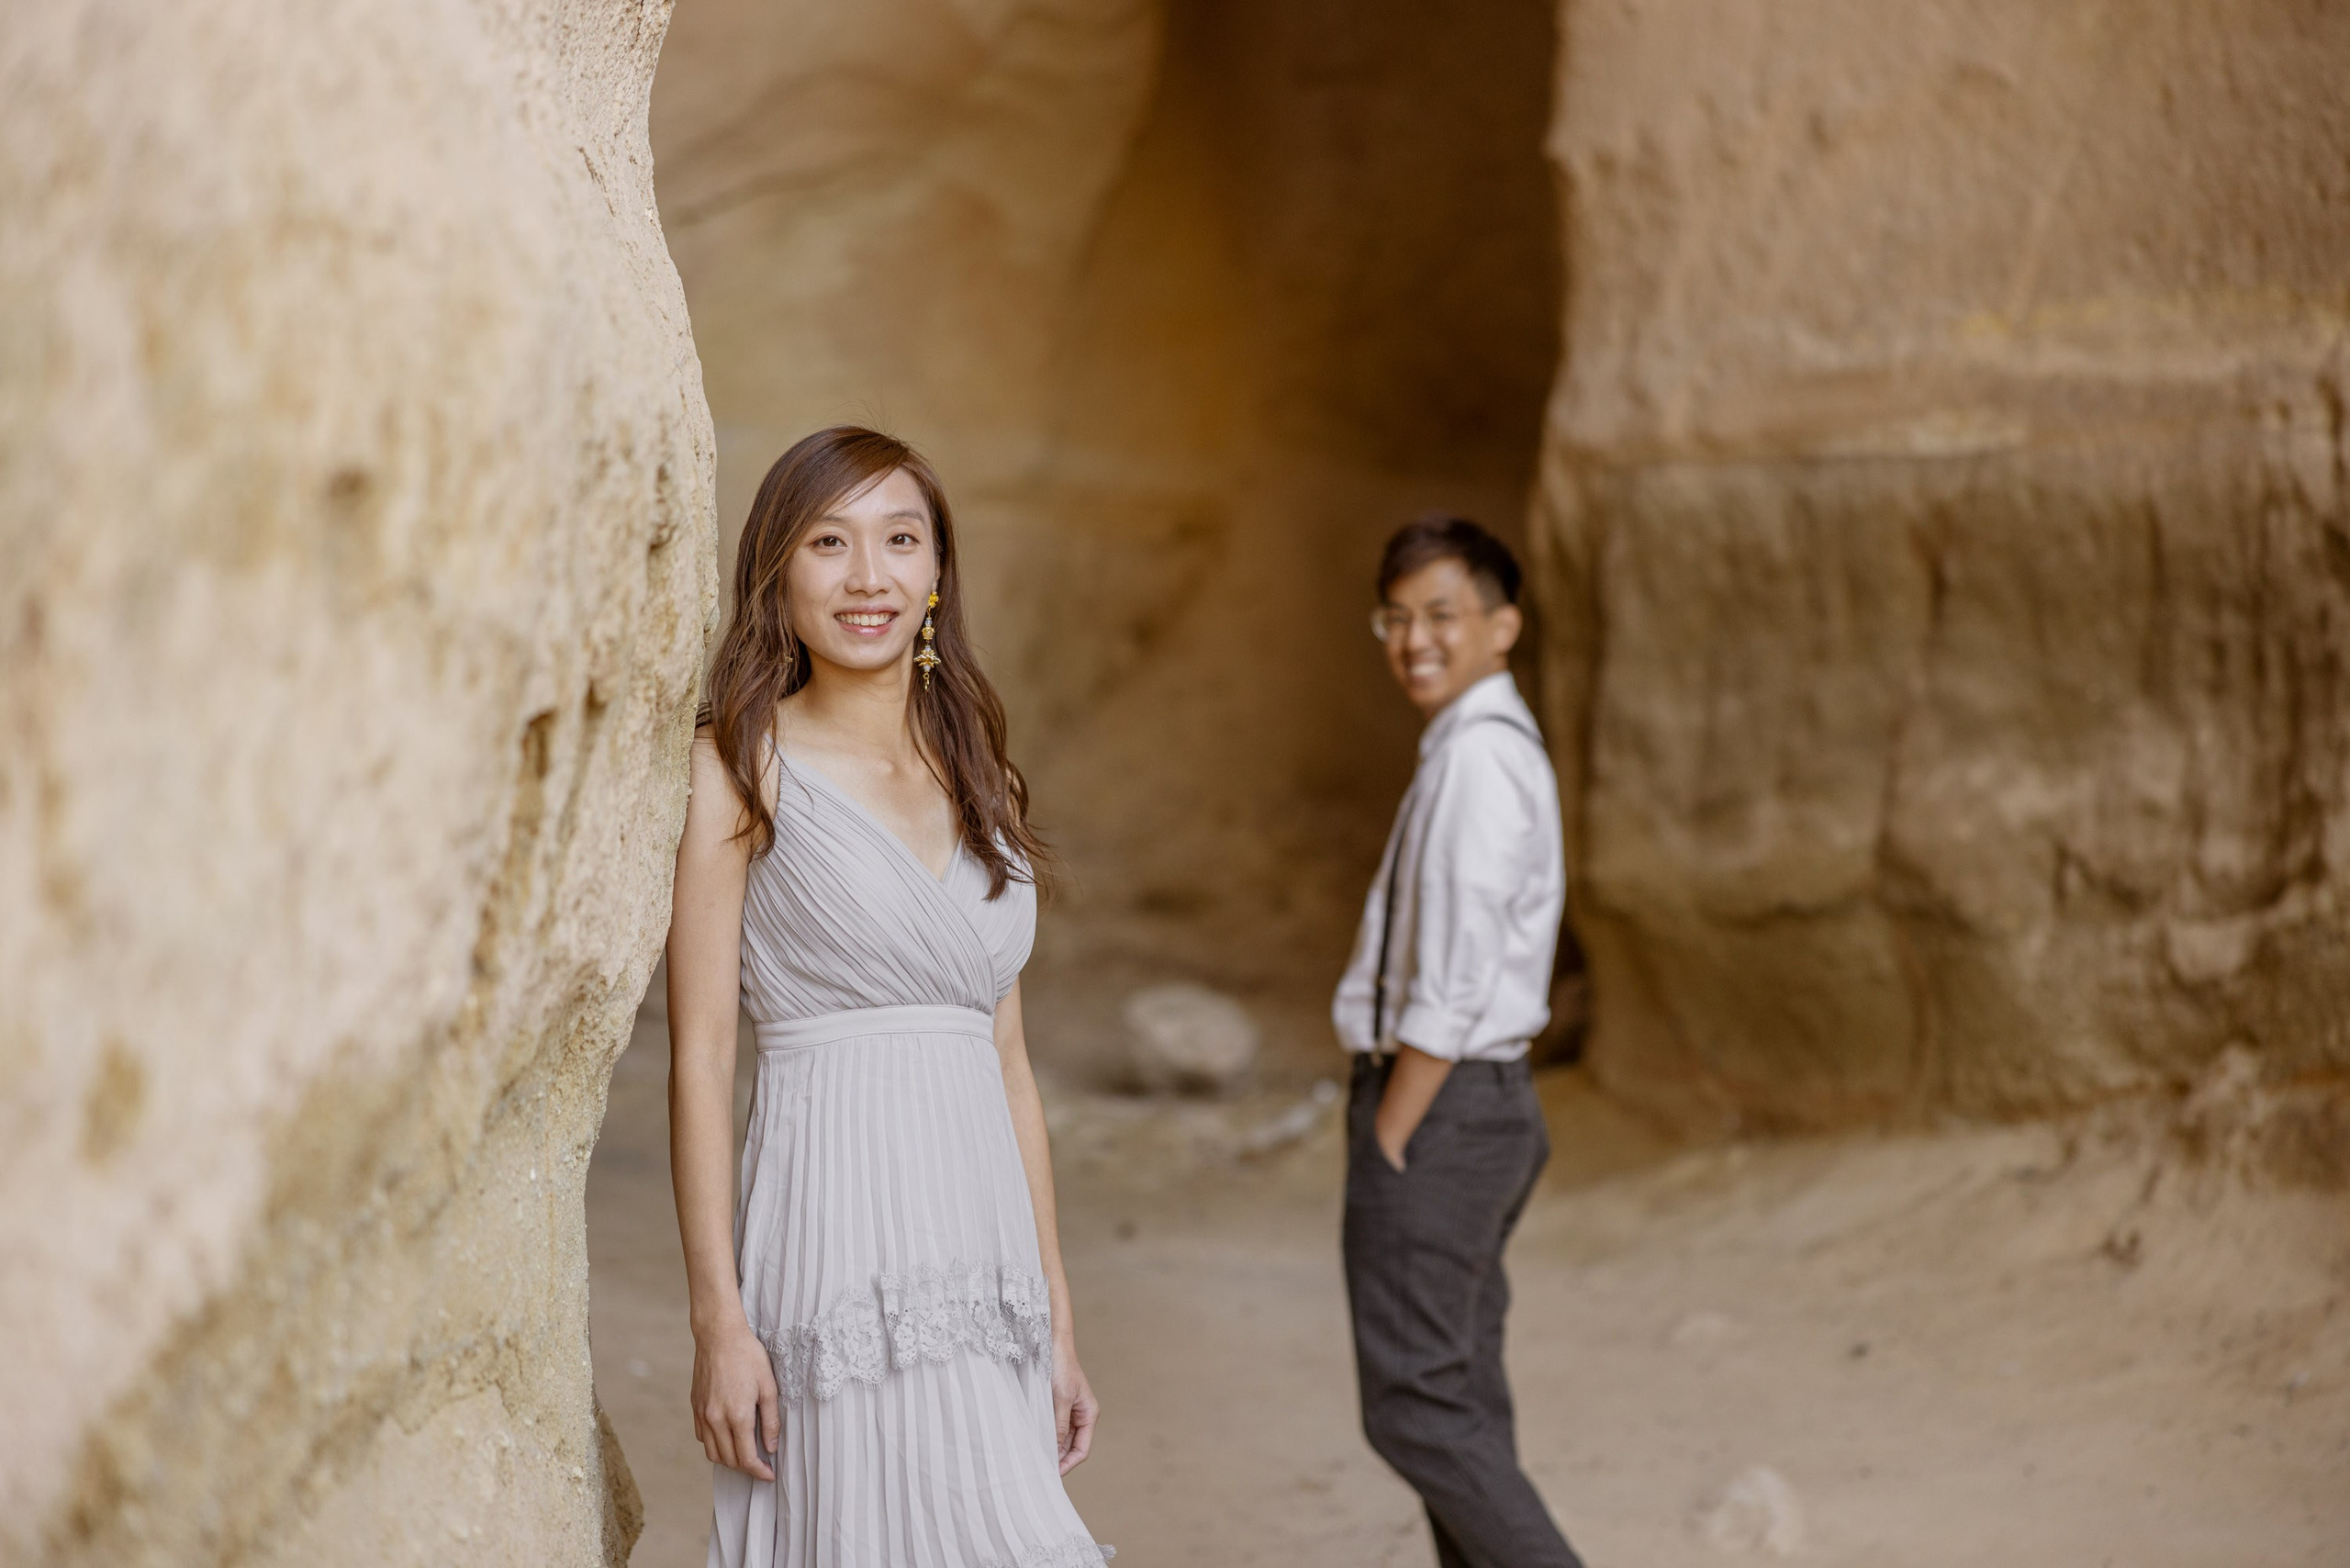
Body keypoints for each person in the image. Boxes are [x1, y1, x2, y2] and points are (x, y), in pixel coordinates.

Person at [666, 426, 1111, 1568]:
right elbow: (702, 1057)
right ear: (777, 571)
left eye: (899, 541)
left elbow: (1007, 1061)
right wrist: (719, 1320)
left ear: (936, 575)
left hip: (986, 1246)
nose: (869, 577)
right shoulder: (734, 769)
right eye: (829, 542)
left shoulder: (984, 778)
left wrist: (1056, 1313)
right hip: (832, 1234)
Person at [1334, 515, 1583, 1568]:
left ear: (1503, 625)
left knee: (1417, 1409)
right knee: (1460, 1396)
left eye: (1442, 614)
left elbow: (1457, 972)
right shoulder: (1476, 747)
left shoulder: (1479, 762)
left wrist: (1394, 1123)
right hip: (1475, 1103)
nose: (1412, 638)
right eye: (1394, 617)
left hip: (1442, 1104)